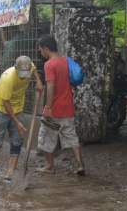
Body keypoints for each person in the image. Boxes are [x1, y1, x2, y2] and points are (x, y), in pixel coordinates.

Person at [0, 55, 43, 186]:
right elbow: (6, 102)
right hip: (2, 108)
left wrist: (38, 80)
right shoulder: (8, 78)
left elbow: (34, 70)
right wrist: (17, 122)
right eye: (22, 74)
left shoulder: (28, 67)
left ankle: (11, 172)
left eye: (26, 74)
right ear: (16, 68)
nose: (24, 77)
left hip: (18, 107)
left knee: (17, 140)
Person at [37, 34, 84, 175]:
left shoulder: (49, 64)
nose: (41, 53)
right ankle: (80, 164)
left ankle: (49, 166)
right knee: (71, 137)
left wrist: (49, 109)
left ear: (46, 48)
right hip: (68, 107)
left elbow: (50, 87)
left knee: (46, 138)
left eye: (41, 50)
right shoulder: (65, 60)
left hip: (55, 110)